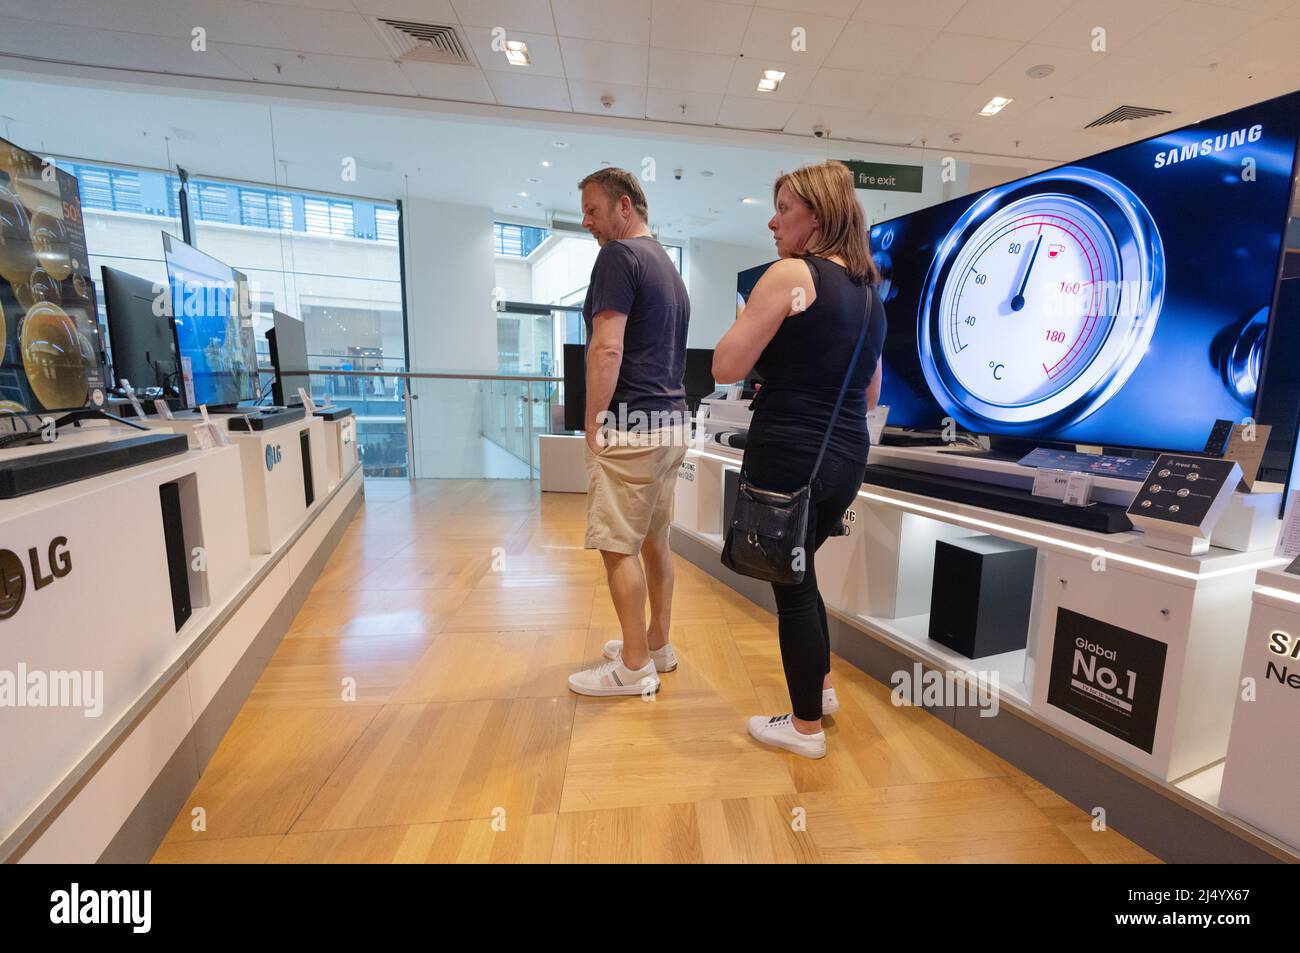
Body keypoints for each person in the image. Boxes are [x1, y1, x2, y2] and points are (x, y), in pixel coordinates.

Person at [712, 160, 887, 758]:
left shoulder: (791, 274)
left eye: (783, 209)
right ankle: (823, 691)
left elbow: (725, 366)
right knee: (803, 573)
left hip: (791, 449)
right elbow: (870, 394)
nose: (772, 221)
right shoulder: (870, 294)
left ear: (816, 216)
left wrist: (756, 321)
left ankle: (806, 728)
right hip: (844, 457)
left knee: (791, 584)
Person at [567, 167, 691, 697]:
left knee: (618, 546)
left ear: (625, 207)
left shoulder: (618, 257)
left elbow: (607, 346)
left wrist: (594, 419)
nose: (586, 221)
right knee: (656, 542)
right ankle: (657, 645)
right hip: (669, 425)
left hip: (629, 429)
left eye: (593, 210)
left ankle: (634, 666)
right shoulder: (666, 263)